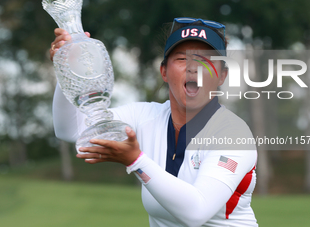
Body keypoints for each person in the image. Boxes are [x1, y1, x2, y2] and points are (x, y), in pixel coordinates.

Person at [50, 17, 258, 227]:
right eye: (182, 59)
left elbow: (197, 211)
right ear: (164, 72)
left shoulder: (233, 132)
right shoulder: (145, 116)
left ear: (222, 76)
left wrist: (135, 161)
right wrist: (66, 69)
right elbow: (71, 129)